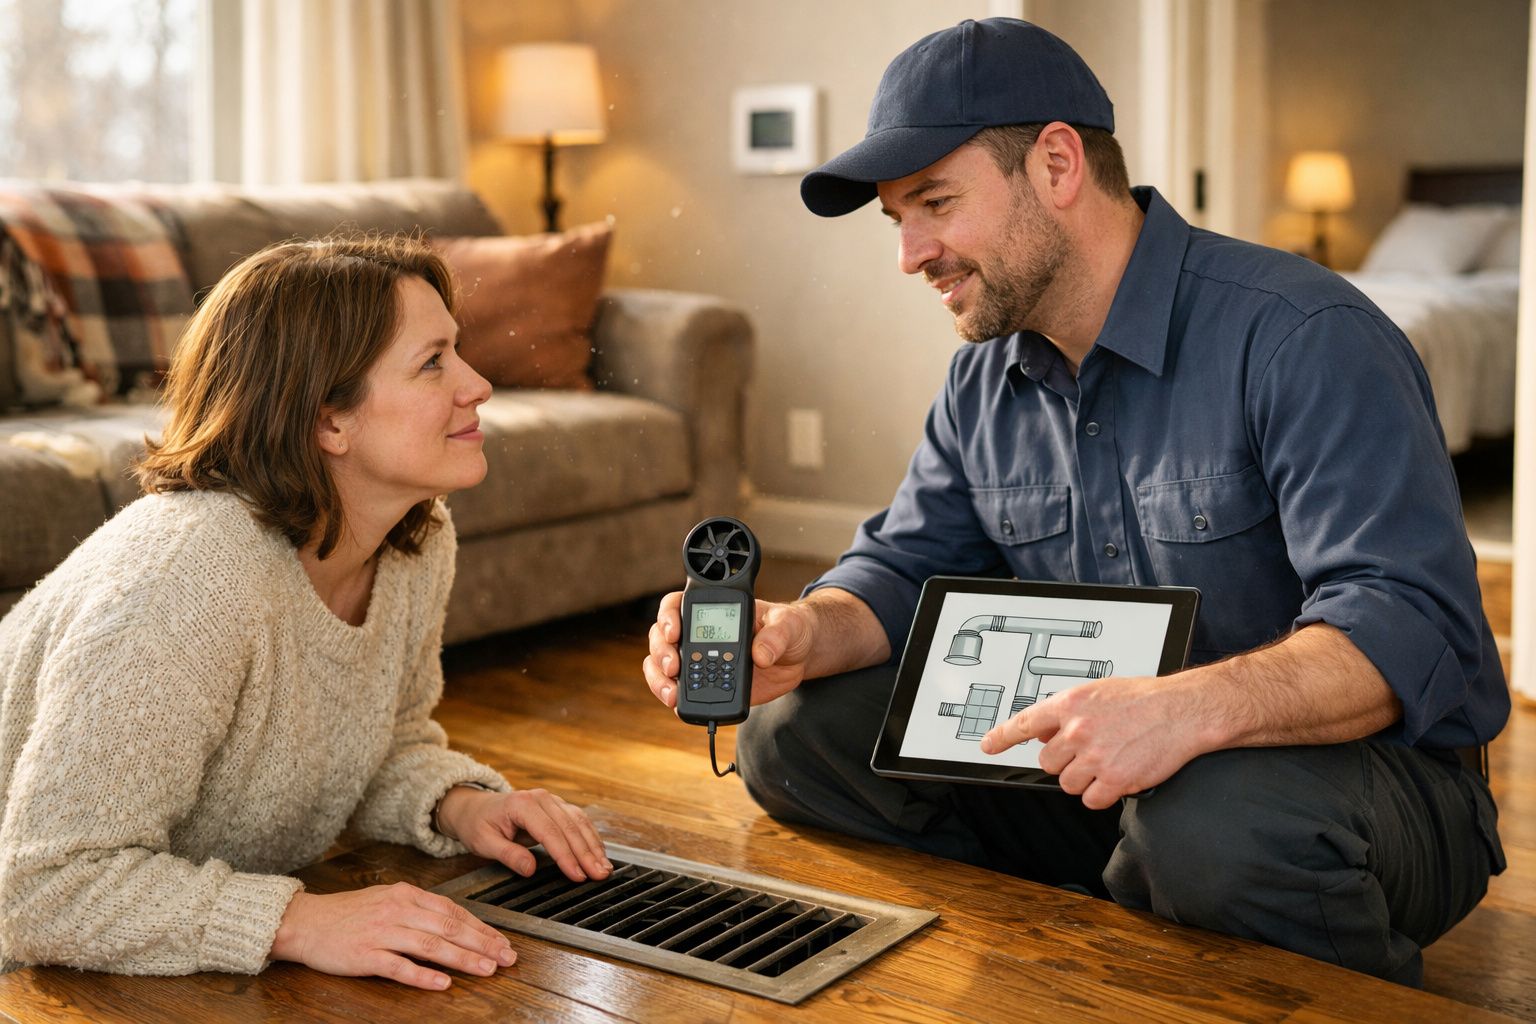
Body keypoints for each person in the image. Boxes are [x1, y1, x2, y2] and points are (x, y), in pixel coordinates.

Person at [644, 18, 1507, 985]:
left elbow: (1408, 626)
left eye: (935, 201)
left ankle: (1248, 930)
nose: (910, 254)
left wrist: (1187, 711)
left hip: (1361, 788)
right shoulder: (984, 376)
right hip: (1102, 772)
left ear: (1057, 164)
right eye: (898, 219)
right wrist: (802, 634)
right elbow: (901, 569)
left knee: (1215, 821)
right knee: (795, 735)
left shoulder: (1305, 336)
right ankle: (1082, 949)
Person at [0, 235, 611, 989]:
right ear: (330, 421)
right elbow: (44, 887)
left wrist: (458, 804)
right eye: (433, 363)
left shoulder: (415, 539)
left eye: (460, 352)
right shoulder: (183, 579)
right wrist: (298, 921)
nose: (478, 384)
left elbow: (379, 744)